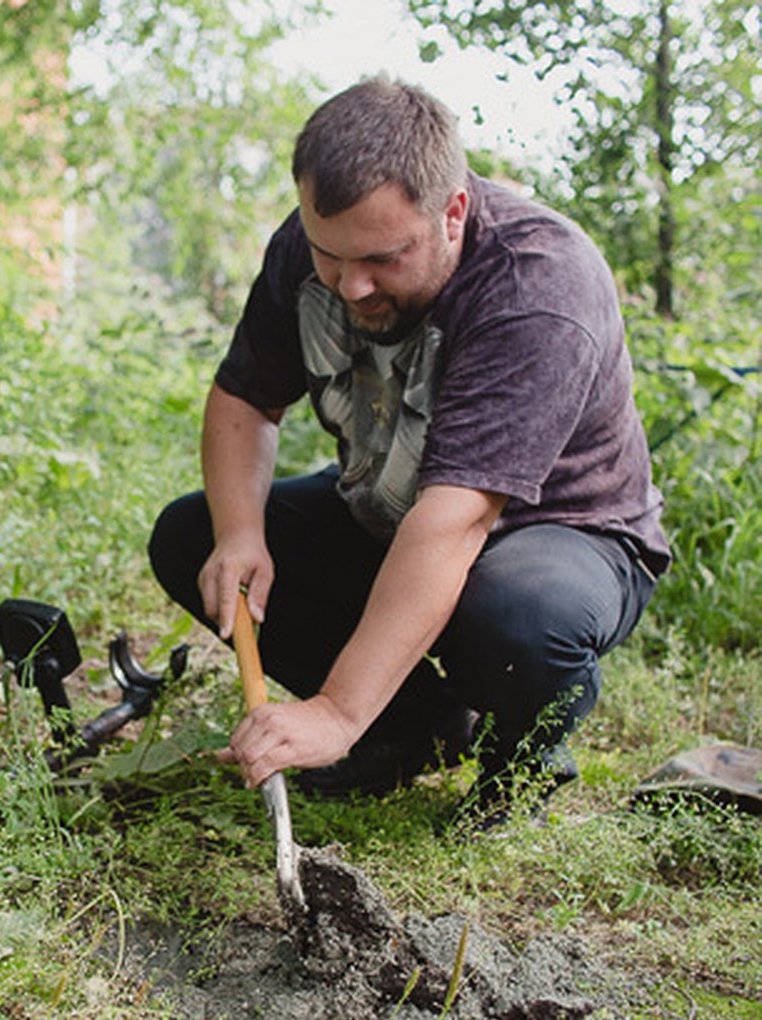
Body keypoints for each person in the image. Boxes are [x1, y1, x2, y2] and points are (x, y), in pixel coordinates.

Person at [148, 75, 670, 820]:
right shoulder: (314, 247)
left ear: (452, 212)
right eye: (331, 256)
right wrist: (240, 535)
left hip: (559, 536)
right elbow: (245, 399)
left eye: (383, 260)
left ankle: (523, 759)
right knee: (191, 536)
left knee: (512, 616)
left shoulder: (537, 284)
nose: (350, 286)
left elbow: (455, 522)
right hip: (396, 508)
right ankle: (415, 728)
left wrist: (335, 711)